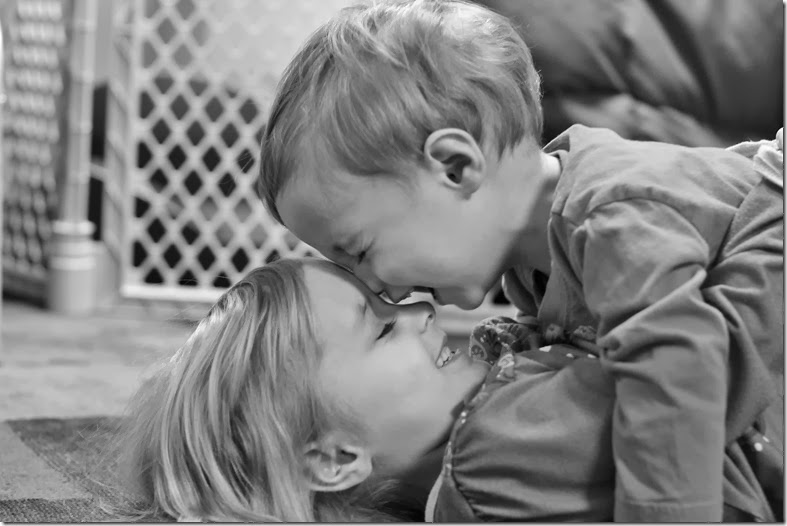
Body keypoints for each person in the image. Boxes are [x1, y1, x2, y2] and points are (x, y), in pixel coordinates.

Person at [255, 0, 784, 521]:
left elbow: (675, 395)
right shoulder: (538, 264)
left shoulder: (613, 217)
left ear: (456, 168)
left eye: (361, 252)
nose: (380, 289)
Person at [112, 258, 780, 522]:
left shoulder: (475, 445)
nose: (422, 308)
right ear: (333, 458)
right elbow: (702, 361)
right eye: (382, 328)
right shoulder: (498, 446)